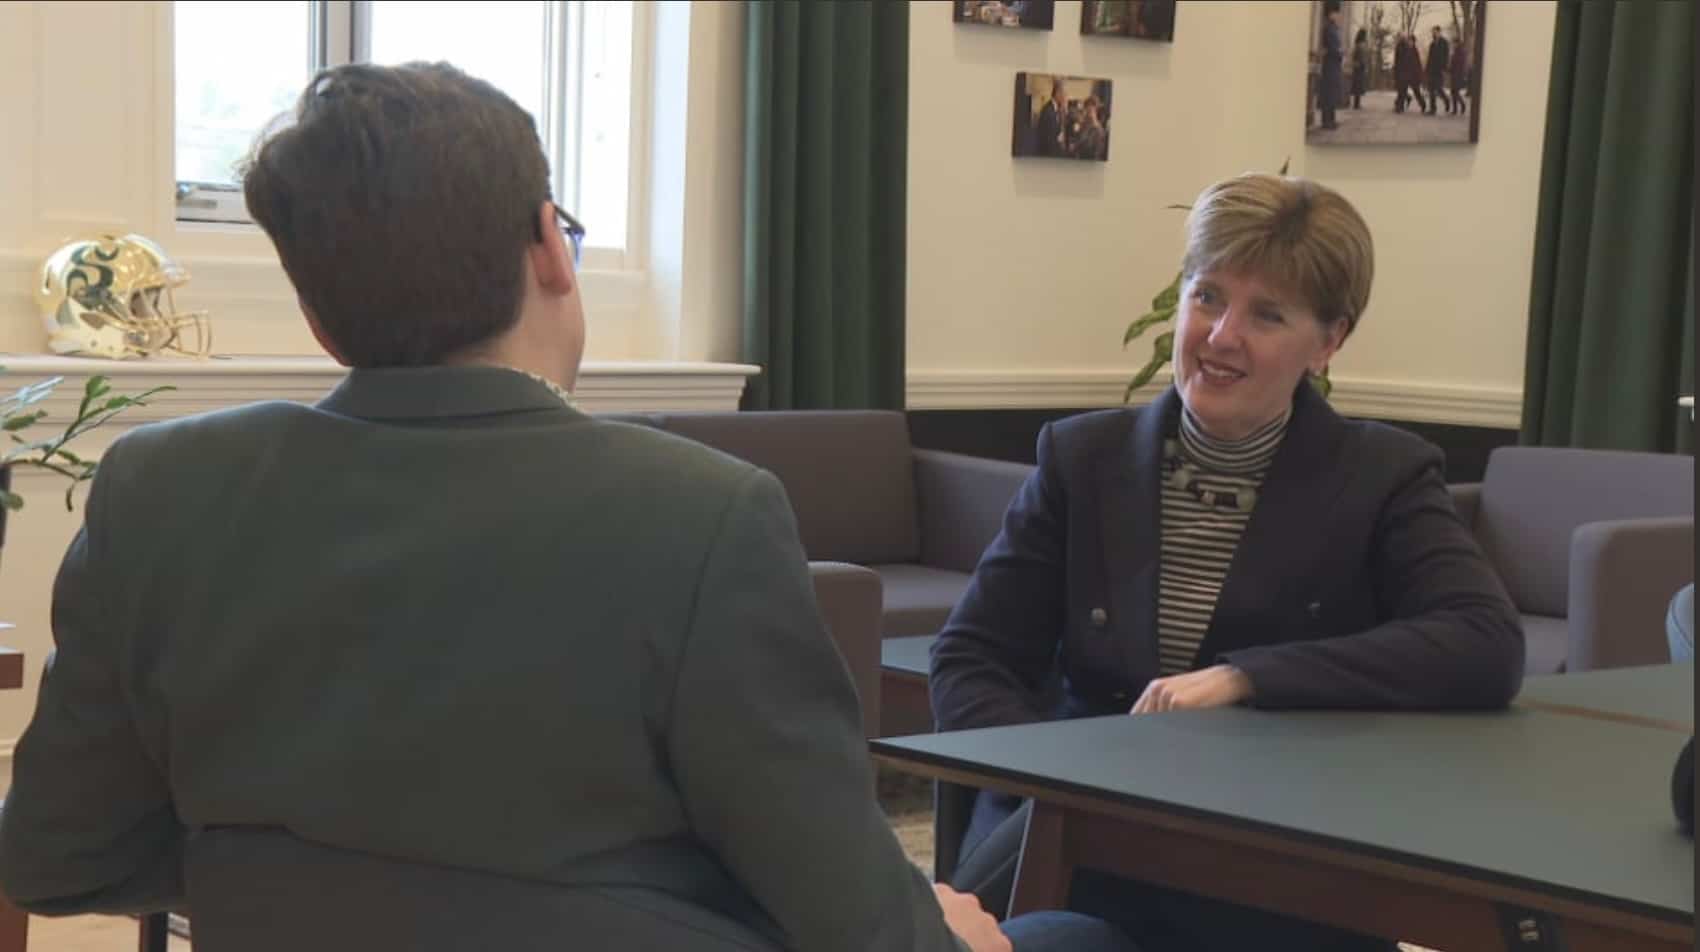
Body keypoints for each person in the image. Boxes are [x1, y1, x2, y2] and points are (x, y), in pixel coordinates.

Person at [0, 62, 1139, 952]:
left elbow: (57, 856)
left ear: (315, 312)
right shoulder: (703, 514)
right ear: (550, 243)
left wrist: (293, 878)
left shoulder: (162, 486)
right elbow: (847, 906)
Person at [930, 171, 1524, 952]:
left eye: (1266, 314)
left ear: (1330, 340)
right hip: (1091, 856)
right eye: (1207, 296)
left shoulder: (1384, 475)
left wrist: (1248, 677)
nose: (1220, 336)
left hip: (1278, 877)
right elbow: (969, 658)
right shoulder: (1083, 458)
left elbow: (1485, 641)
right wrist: (1065, 775)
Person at [1318, 1, 1344, 129]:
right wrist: (1340, 53)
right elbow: (1334, 47)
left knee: (1332, 92)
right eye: (1336, 13)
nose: (1338, 15)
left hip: (1333, 64)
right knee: (1329, 93)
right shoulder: (1329, 28)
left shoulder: (1332, 27)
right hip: (1330, 63)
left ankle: (1331, 119)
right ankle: (1327, 121)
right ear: (1331, 13)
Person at [1036, 79, 1069, 158]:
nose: (1065, 97)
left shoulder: (1055, 108)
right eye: (1064, 94)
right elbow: (1049, 139)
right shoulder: (1048, 111)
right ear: (1058, 93)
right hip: (1048, 154)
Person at [1426, 25, 1451, 115]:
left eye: (1435, 32)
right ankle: (1433, 109)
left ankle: (1446, 100)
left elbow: (1446, 56)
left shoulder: (1444, 43)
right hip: (1432, 70)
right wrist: (1427, 69)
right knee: (1431, 90)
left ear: (1439, 32)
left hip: (1439, 70)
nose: (1433, 33)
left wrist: (1444, 68)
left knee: (1439, 89)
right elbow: (1429, 58)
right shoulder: (1432, 44)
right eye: (1433, 32)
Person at [1351, 27, 1369, 110]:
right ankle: (1356, 104)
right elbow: (1362, 57)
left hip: (1357, 66)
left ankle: (1357, 103)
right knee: (1358, 85)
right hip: (1360, 67)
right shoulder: (1361, 45)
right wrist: (1364, 65)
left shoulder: (1357, 44)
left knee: (1357, 85)